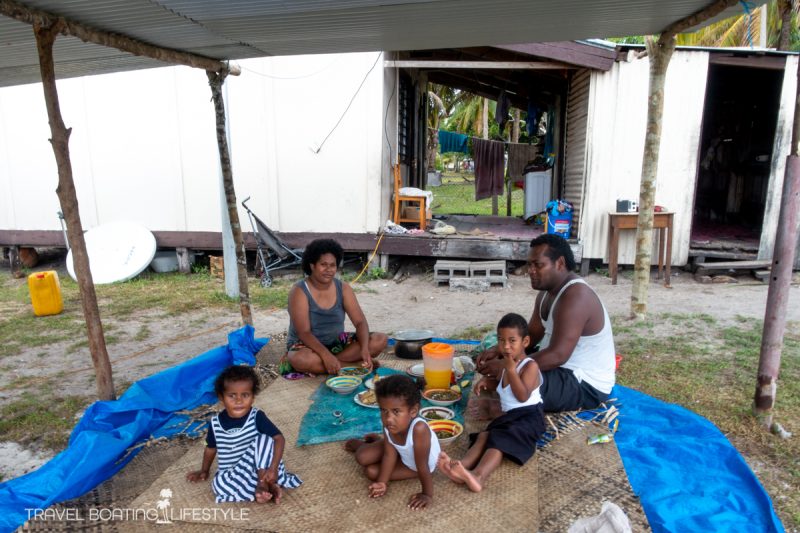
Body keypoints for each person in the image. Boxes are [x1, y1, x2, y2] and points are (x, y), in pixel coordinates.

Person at [477, 233, 615, 412]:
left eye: (538, 265)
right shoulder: (546, 293)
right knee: (511, 357)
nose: (531, 271)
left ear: (560, 263)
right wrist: (499, 351)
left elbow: (558, 355)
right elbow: (532, 335)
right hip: (561, 369)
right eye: (530, 264)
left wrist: (506, 367)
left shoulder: (577, 296)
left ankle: (505, 407)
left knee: (519, 384)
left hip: (585, 385)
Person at [438, 313, 544, 492]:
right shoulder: (505, 364)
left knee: (499, 440)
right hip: (510, 417)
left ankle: (478, 476)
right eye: (501, 341)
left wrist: (510, 370)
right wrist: (488, 382)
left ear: (525, 342)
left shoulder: (529, 366)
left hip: (529, 417)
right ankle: (460, 466)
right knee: (484, 436)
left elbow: (522, 396)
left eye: (512, 341)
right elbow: (506, 387)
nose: (506, 346)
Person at [186, 365, 302, 503]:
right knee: (219, 485)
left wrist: (273, 468)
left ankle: (264, 484)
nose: (239, 401)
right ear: (221, 398)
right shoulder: (215, 423)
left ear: (253, 397)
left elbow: (279, 438)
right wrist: (204, 470)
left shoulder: (256, 416)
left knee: (265, 439)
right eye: (232, 395)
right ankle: (268, 488)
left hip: (264, 470)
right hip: (235, 476)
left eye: (245, 395)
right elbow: (210, 448)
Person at [285, 238, 388, 375]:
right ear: (312, 265)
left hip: (337, 344)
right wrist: (325, 355)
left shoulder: (343, 288)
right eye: (323, 264)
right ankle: (352, 366)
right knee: (300, 359)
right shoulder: (299, 291)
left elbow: (360, 322)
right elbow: (304, 332)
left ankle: (333, 364)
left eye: (333, 265)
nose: (329, 270)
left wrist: (364, 349)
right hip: (307, 346)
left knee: (380, 339)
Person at [345, 374, 439, 510]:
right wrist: (382, 482)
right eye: (384, 410)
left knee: (371, 472)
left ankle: (372, 443)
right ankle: (367, 444)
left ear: (413, 411)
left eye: (396, 411)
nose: (388, 418)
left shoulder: (419, 429)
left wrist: (427, 494)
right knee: (362, 457)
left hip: (415, 466)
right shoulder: (389, 424)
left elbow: (422, 466)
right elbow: (389, 455)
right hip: (400, 454)